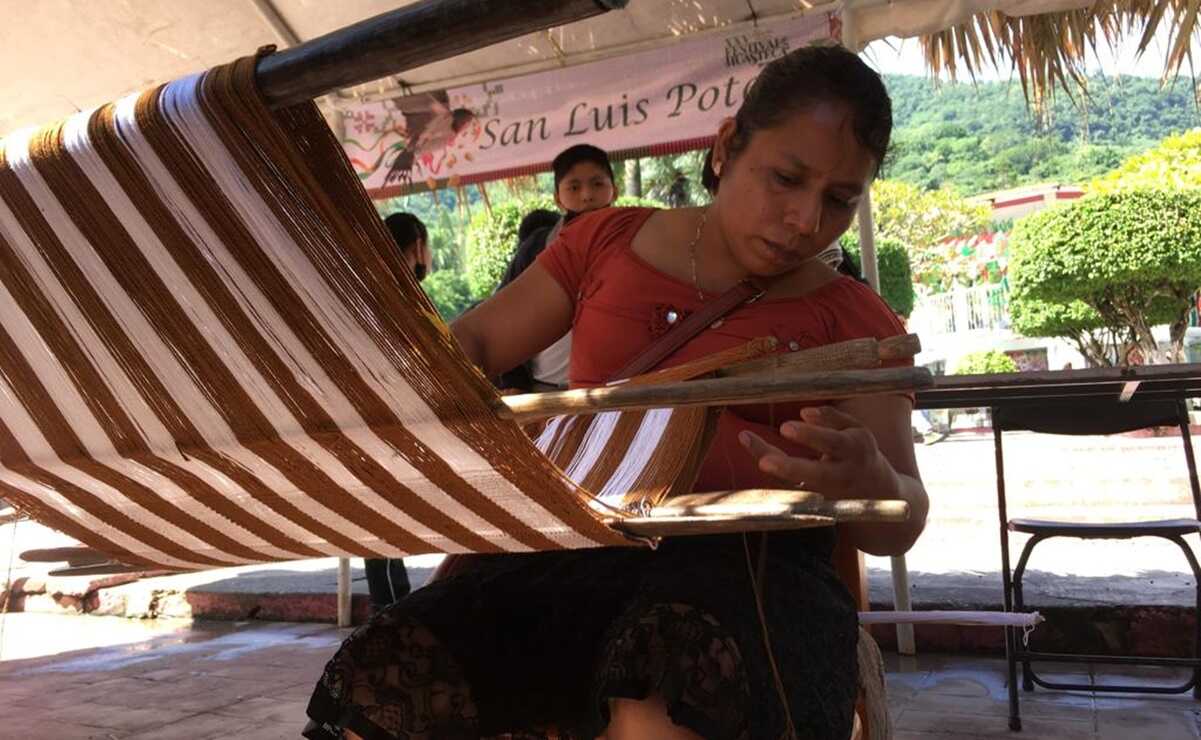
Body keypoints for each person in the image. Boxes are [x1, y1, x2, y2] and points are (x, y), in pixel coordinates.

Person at [304, 44, 928, 740]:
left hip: (754, 576)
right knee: (391, 671)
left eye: (839, 199)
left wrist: (868, 478)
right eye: (784, 178)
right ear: (725, 148)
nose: (805, 221)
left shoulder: (855, 319)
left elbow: (898, 520)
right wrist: (361, 384)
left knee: (659, 697)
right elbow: (472, 347)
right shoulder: (605, 242)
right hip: (581, 554)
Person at [494, 145, 617, 392]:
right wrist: (514, 382)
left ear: (614, 190)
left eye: (597, 184)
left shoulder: (638, 240)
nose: (586, 195)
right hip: (547, 389)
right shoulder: (537, 247)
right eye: (574, 187)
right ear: (557, 198)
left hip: (621, 388)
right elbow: (504, 317)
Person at [361, 212, 430, 612]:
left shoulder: (370, 286)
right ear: (418, 247)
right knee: (384, 518)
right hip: (387, 413)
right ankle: (390, 609)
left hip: (379, 412)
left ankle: (392, 605)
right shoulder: (396, 293)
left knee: (383, 517)